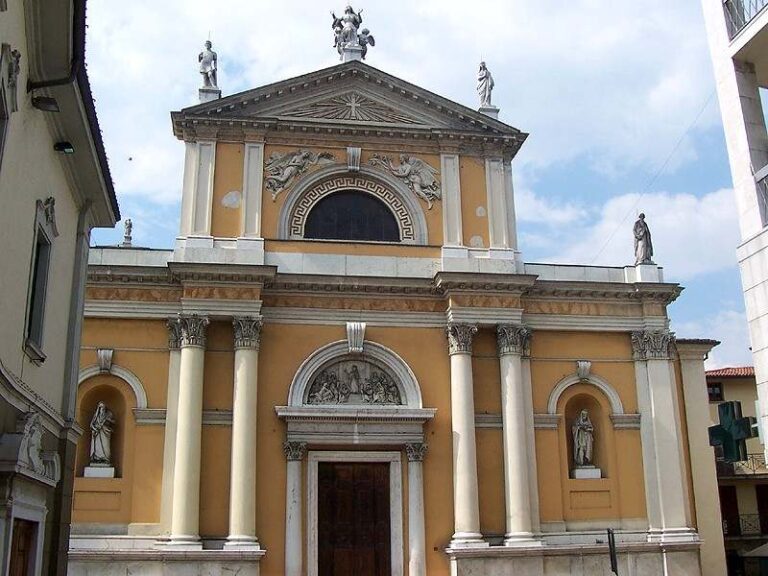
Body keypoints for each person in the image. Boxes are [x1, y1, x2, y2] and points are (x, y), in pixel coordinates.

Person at [90, 402, 116, 466]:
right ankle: (97, 458)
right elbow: (91, 425)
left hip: (105, 433)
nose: (101, 409)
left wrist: (107, 421)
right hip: (97, 434)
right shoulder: (96, 416)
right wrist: (95, 429)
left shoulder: (108, 414)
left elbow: (113, 422)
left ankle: (105, 458)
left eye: (102, 407)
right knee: (97, 446)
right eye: (100, 407)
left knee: (105, 445)